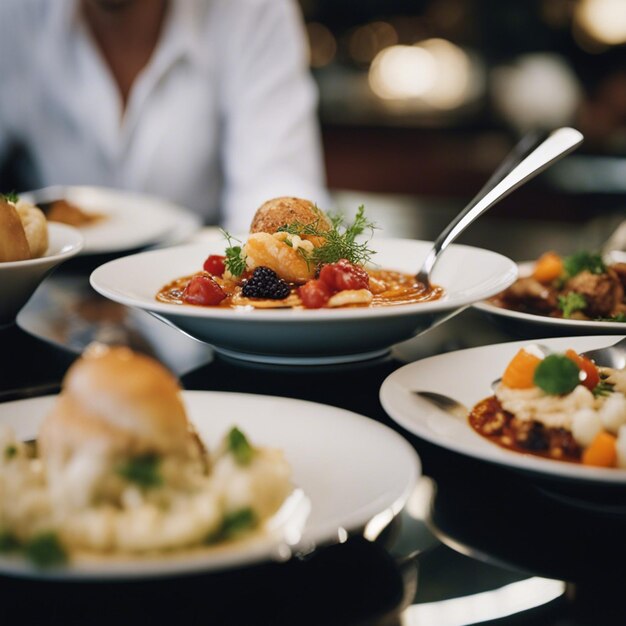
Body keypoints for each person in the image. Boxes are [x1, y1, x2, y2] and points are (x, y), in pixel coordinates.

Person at [0, 0, 329, 233]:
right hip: (48, 298)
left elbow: (277, 186)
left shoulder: (250, 11)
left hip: (195, 301)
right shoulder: (12, 16)